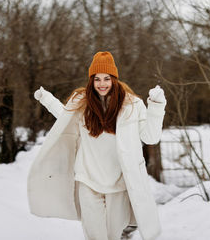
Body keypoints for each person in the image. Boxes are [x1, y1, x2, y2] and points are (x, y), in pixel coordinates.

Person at [27, 51, 166, 240]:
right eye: (97, 79)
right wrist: (47, 99)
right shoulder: (82, 103)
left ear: (114, 79)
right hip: (88, 180)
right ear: (91, 80)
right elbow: (64, 117)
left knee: (112, 235)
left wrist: (156, 106)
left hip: (119, 183)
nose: (102, 84)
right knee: (95, 236)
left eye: (106, 79)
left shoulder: (132, 105)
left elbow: (150, 137)